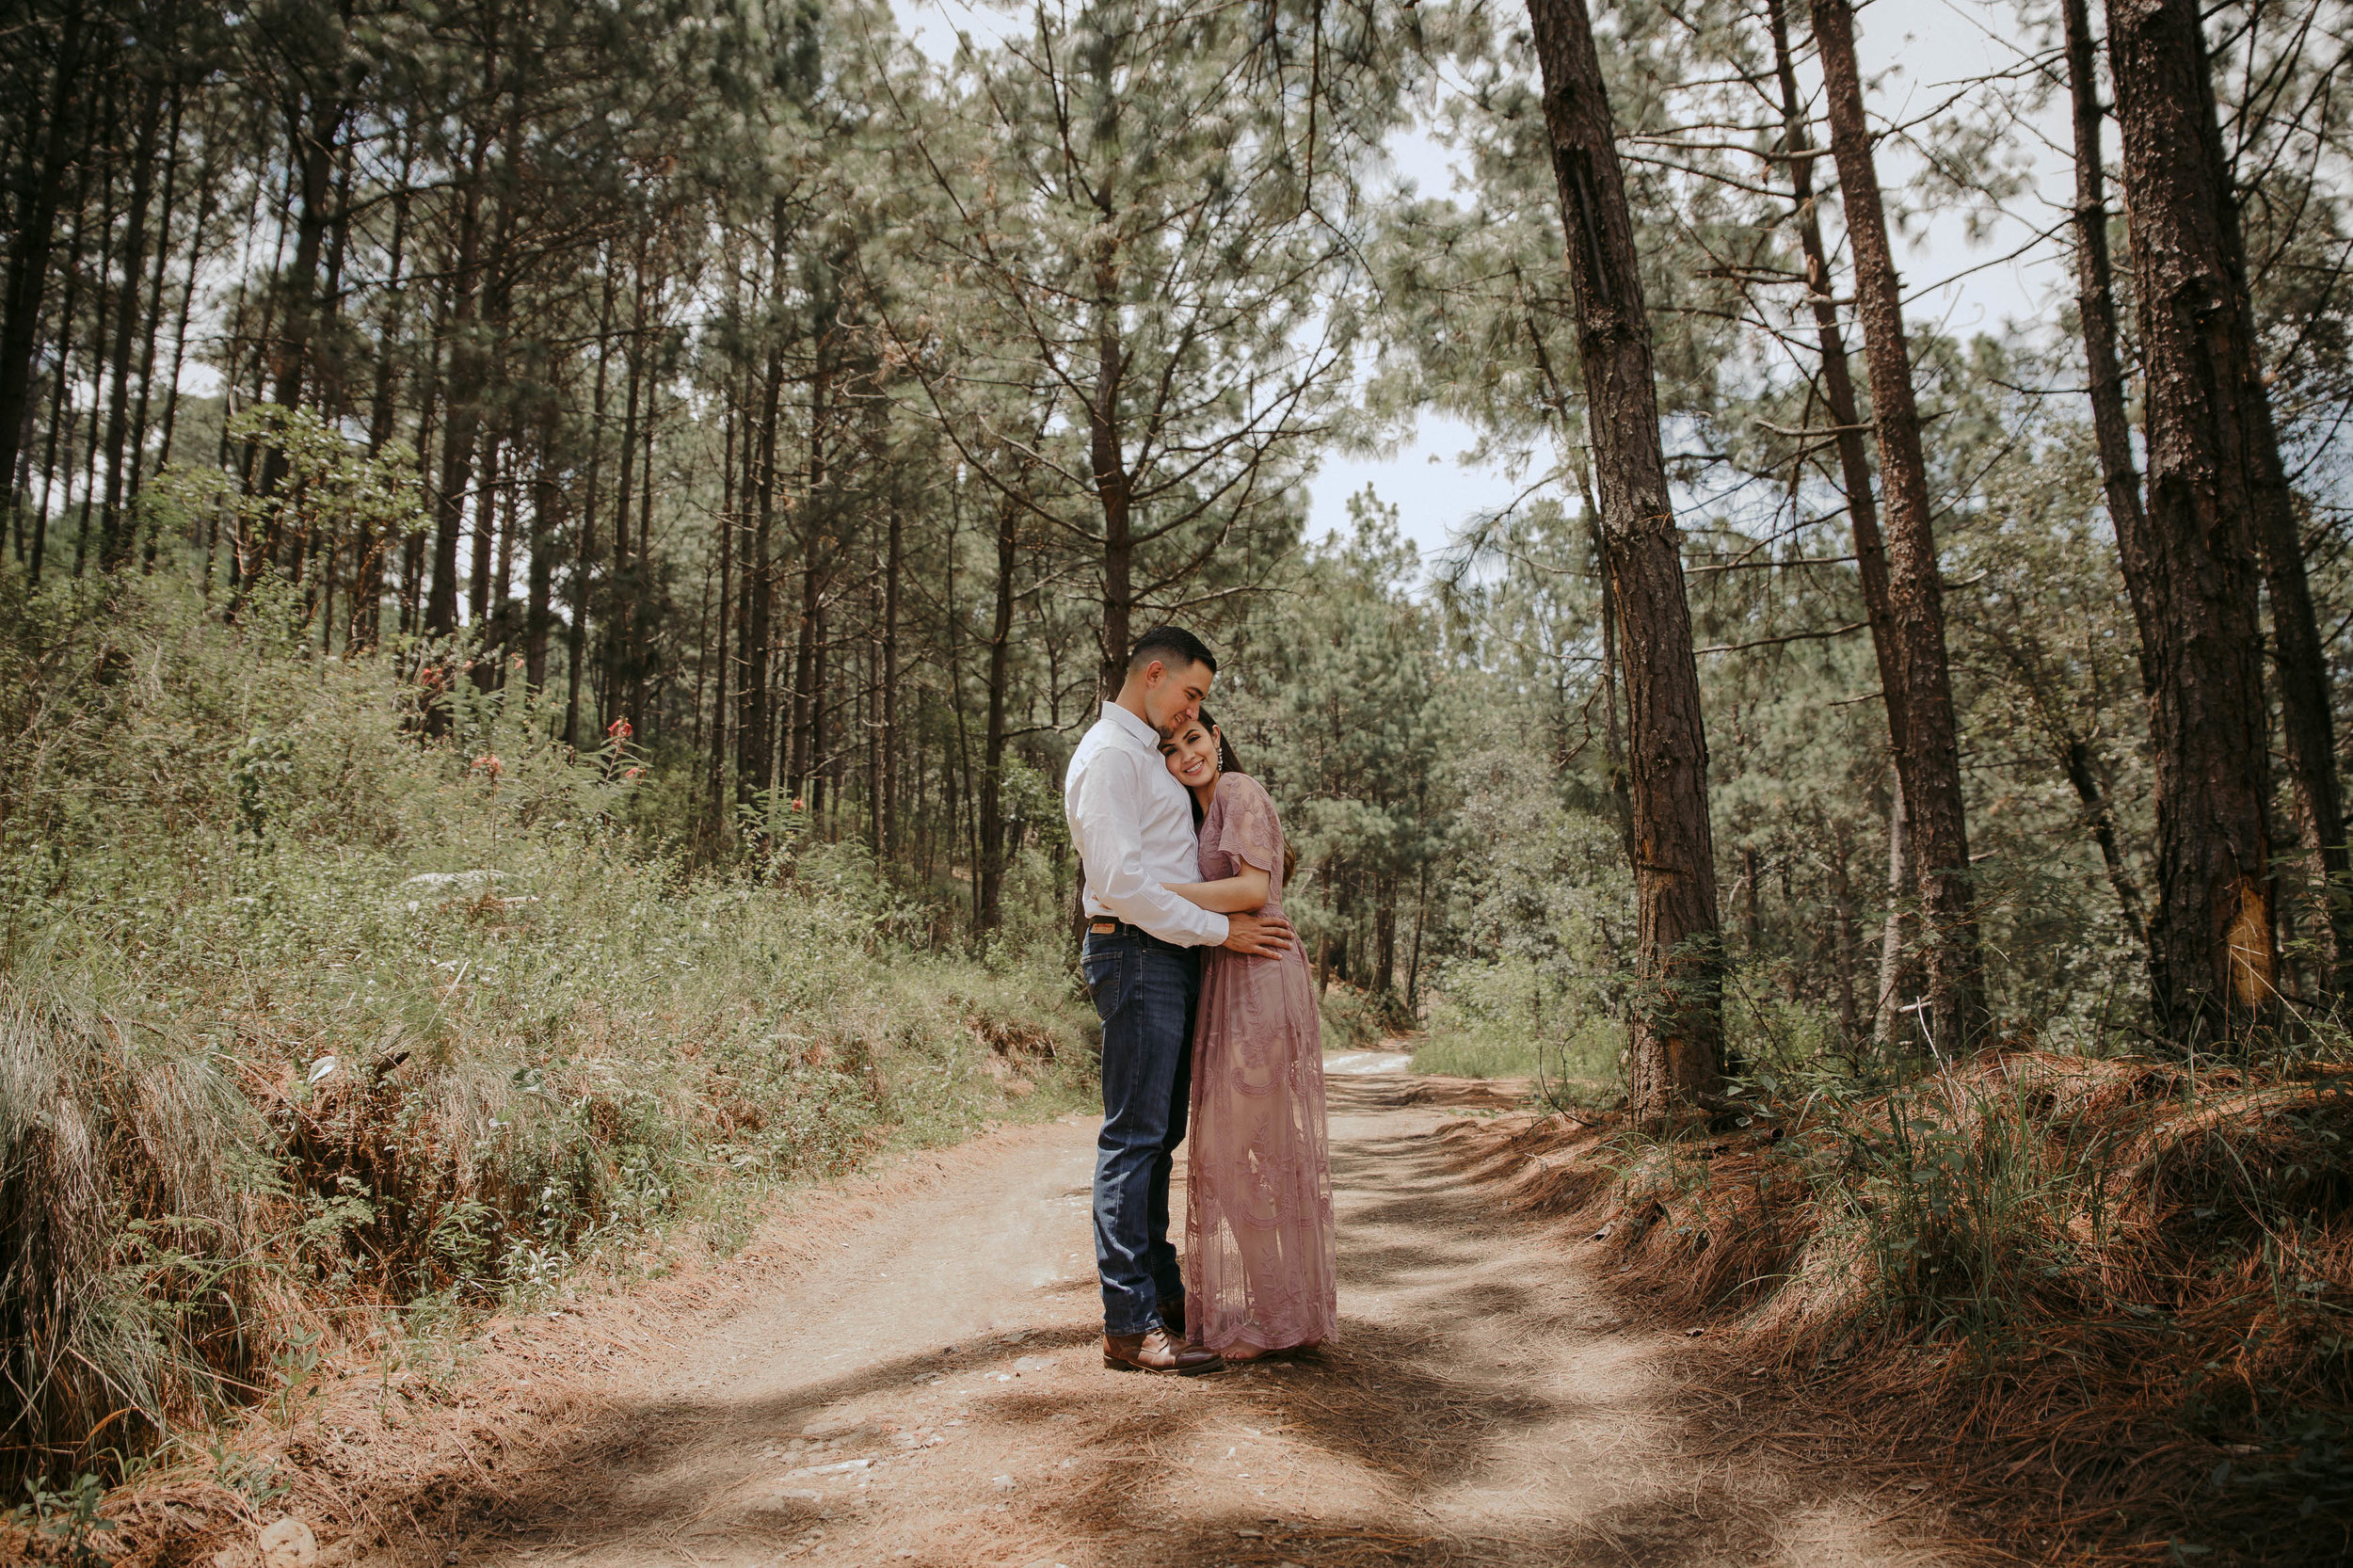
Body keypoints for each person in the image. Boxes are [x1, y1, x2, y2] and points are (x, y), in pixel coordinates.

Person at [1064, 628, 1296, 1376]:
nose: (1191, 711)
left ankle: (1161, 1293)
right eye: (1190, 693)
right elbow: (1122, 885)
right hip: (1135, 952)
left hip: (1167, 954)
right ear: (1155, 674)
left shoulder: (1148, 757)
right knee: (1133, 1138)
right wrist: (1218, 931)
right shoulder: (1108, 757)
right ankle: (1127, 1324)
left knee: (1158, 1138)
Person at [1158, 709, 1337, 1360]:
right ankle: (1288, 1309)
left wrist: (1155, 891)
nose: (1186, 755)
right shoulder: (1200, 813)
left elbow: (1254, 888)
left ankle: (1280, 1312)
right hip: (1231, 979)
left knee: (1224, 1158)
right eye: (1172, 749)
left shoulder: (1237, 790)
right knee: (1250, 1152)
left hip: (1260, 975)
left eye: (1195, 739)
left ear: (1217, 739)